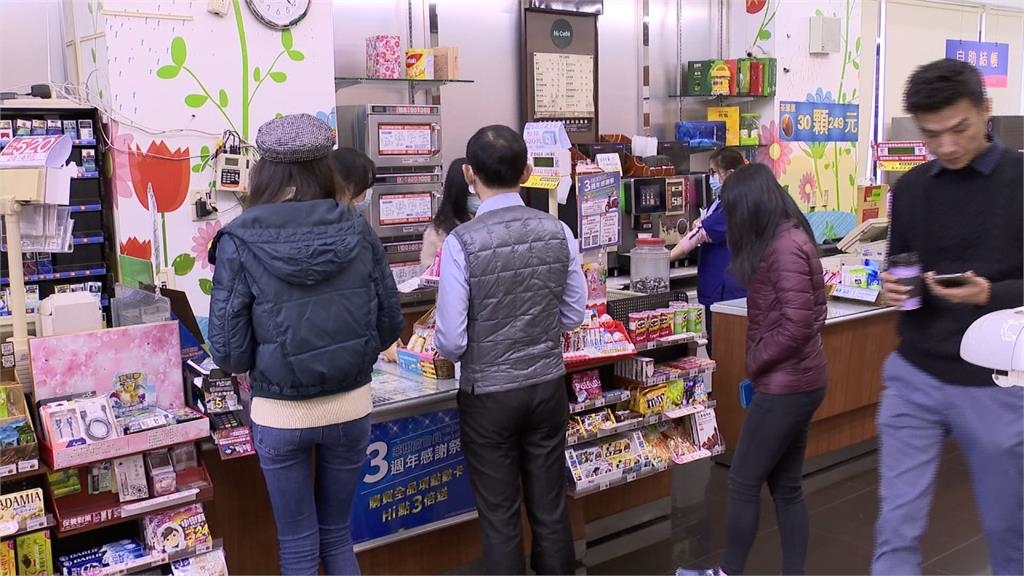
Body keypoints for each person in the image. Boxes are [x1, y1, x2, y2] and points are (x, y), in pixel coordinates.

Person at [208, 114, 403, 576]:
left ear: (264, 172)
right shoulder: (357, 229)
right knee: (337, 535)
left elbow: (229, 353)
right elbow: (388, 325)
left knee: (297, 546)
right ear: (324, 169)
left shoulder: (239, 238)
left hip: (280, 413)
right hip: (351, 406)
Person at [874, 59, 1023, 576]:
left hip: (997, 386)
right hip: (914, 375)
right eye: (931, 135)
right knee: (896, 526)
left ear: (985, 110)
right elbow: (902, 262)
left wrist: (991, 294)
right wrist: (895, 289)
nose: (947, 146)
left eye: (959, 128)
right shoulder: (911, 188)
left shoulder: (1020, 181)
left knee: (1010, 530)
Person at [434, 125, 587, 575]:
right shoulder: (559, 230)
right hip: (546, 386)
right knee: (550, 507)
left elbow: (451, 339)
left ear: (469, 173)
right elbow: (573, 314)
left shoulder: (462, 243)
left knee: (500, 518)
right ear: (526, 171)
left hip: (488, 395)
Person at [678, 163, 827, 576]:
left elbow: (798, 324)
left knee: (743, 480)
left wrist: (757, 359)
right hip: (801, 379)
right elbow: (816, 312)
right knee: (787, 487)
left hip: (785, 385)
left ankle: (728, 572)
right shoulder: (790, 236)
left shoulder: (783, 248)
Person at [669, 148, 748, 354]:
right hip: (720, 287)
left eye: (714, 172)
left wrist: (665, 258)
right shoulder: (722, 201)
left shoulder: (734, 204)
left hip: (727, 290)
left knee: (725, 352)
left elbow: (699, 234)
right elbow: (704, 224)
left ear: (729, 174)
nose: (711, 178)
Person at [419, 157, 477, 270]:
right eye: (472, 192)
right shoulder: (437, 232)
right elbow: (429, 270)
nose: (477, 195)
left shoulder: (485, 219)